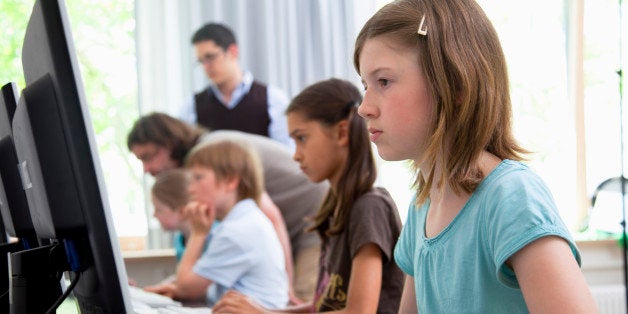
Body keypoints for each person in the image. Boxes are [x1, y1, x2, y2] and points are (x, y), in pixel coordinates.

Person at [352, 0, 599, 313]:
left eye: (383, 82)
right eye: (365, 85)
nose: (364, 107)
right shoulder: (422, 207)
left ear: (454, 85)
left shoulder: (511, 198)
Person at [213, 78, 404, 314]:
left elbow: (359, 312)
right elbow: (322, 307)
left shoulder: (369, 207)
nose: (295, 156)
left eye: (302, 138)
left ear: (341, 133)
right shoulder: (336, 208)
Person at [127, 112, 327, 303]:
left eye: (148, 157)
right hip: (290, 221)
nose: (146, 169)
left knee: (303, 297)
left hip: (314, 213)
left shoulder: (212, 155)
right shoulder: (208, 163)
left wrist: (286, 288)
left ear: (169, 144)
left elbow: (272, 215)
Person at [146, 139, 288, 308]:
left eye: (198, 178)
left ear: (230, 181)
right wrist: (176, 290)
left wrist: (198, 233)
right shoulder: (243, 219)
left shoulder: (237, 231)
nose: (191, 189)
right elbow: (213, 287)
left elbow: (187, 287)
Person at [179, 22, 293, 148]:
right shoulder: (191, 106)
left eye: (210, 57)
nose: (206, 67)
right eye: (201, 61)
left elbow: (287, 154)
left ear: (233, 51)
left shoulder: (273, 99)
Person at [150, 169, 194, 262]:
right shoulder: (179, 240)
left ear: (182, 211)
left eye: (159, 209)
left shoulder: (213, 237)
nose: (154, 215)